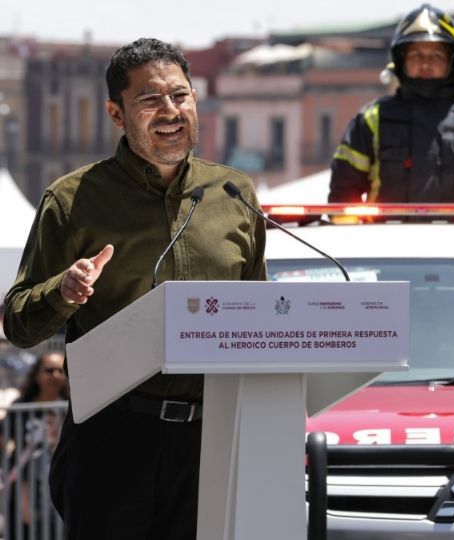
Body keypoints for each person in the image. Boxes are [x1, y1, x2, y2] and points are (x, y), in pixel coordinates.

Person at [2, 38, 266, 539]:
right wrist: (65, 290)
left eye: (181, 96)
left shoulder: (234, 195)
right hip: (112, 437)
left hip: (211, 440)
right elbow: (17, 322)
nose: (170, 111)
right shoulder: (72, 200)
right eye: (150, 100)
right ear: (117, 114)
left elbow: (258, 312)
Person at [328, 3, 454, 205]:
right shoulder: (370, 120)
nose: (425, 64)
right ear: (400, 61)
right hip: (383, 236)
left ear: (453, 62)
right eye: (416, 55)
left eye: (436, 56)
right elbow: (343, 201)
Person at [5, 350, 68, 538]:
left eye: (61, 370)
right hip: (25, 484)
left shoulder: (72, 408)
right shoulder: (21, 406)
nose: (56, 376)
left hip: (58, 483)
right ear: (37, 374)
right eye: (49, 370)